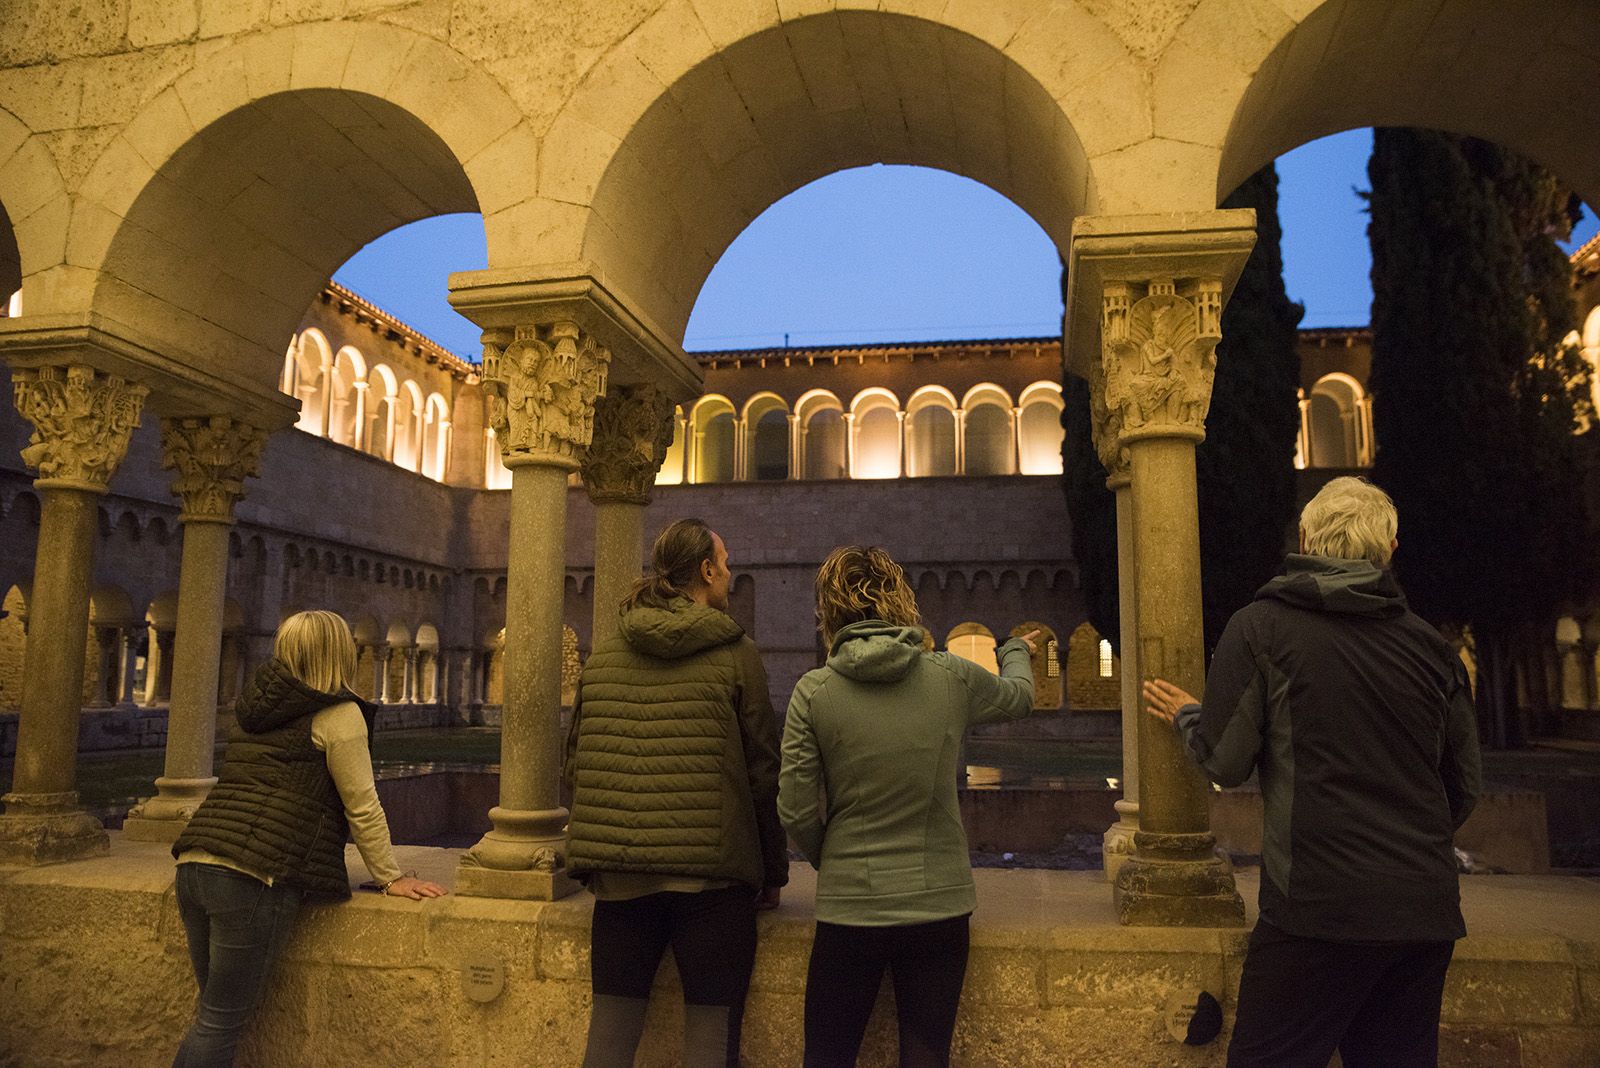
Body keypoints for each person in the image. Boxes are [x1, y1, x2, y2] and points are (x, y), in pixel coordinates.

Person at [1144, 476, 1482, 1068]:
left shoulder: (1262, 628)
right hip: (1422, 915)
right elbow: (1463, 787)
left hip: (1315, 913)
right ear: (1391, 548)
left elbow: (1224, 760)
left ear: (1303, 538)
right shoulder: (1433, 651)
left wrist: (1189, 716)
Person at [778, 545, 1038, 1068]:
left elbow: (796, 808)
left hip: (850, 908)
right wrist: (1015, 648)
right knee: (926, 1057)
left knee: (827, 1056)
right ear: (900, 603)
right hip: (939, 907)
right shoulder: (949, 676)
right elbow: (1019, 697)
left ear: (829, 611)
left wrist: (837, 861)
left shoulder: (815, 691)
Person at [169, 609, 446, 1067]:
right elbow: (361, 804)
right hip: (253, 875)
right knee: (219, 1022)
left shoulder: (252, 711)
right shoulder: (338, 714)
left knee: (213, 1016)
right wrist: (389, 876)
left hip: (196, 863)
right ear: (339, 654)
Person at [565, 517, 787, 1068]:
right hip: (711, 885)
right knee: (710, 1041)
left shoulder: (608, 652)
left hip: (619, 879)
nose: (731, 574)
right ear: (707, 571)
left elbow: (574, 760)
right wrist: (773, 872)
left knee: (610, 1038)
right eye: (726, 562)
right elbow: (764, 770)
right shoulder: (738, 653)